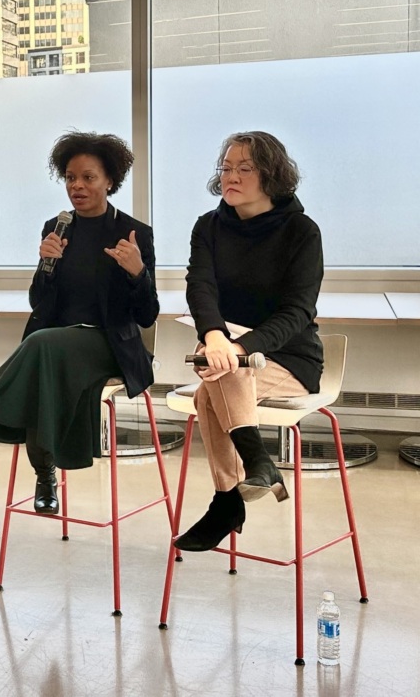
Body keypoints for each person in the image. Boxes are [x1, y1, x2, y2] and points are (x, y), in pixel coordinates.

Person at [0, 131, 159, 512]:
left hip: (109, 344)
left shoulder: (133, 234)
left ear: (110, 181)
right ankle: (44, 476)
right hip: (55, 344)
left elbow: (147, 315)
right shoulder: (57, 226)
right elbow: (39, 303)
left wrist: (137, 273)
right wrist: (46, 268)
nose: (77, 186)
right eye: (70, 177)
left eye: (88, 177)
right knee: (44, 356)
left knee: (40, 345)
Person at [174, 131, 323, 553]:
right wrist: (216, 335)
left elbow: (298, 312)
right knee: (220, 372)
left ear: (272, 176)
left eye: (244, 169)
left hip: (289, 358)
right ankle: (256, 465)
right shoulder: (208, 226)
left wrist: (239, 349)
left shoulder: (302, 231)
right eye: (226, 168)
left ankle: (229, 498)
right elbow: (199, 288)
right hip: (228, 351)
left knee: (215, 382)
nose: (231, 177)